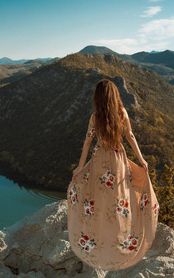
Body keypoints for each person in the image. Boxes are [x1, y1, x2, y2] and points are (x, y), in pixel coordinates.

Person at [67, 79, 159, 271]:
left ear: (98, 97)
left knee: (98, 195)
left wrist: (79, 166)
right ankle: (121, 234)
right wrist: (142, 160)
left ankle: (99, 234)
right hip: (118, 159)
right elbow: (130, 137)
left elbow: (87, 142)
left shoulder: (95, 117)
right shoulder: (122, 114)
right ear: (114, 95)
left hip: (100, 159)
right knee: (120, 198)